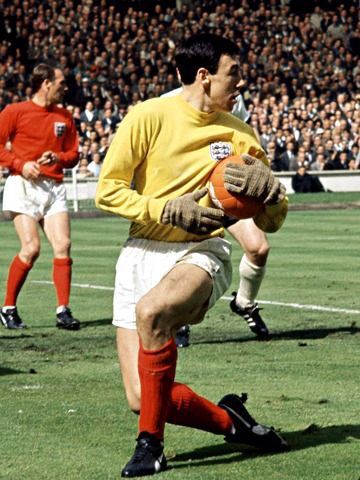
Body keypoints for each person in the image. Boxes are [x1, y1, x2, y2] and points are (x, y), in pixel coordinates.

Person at [96, 34, 288, 478]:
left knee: (154, 310)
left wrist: (275, 196)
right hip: (140, 252)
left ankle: (151, 446)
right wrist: (162, 207)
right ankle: (231, 422)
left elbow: (271, 221)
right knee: (142, 399)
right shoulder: (148, 116)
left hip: (203, 249)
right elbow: (108, 192)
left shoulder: (239, 134)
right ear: (204, 76)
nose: (240, 84)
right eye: (233, 75)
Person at [163, 89, 274, 347]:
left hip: (229, 192)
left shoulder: (232, 97)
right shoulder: (169, 102)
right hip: (195, 193)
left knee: (259, 248)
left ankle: (244, 303)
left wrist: (258, 168)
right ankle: (181, 320)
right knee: (190, 256)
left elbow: (247, 133)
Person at [0, 63, 80, 330]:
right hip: (22, 184)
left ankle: (63, 311)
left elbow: (74, 154)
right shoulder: (15, 111)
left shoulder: (64, 116)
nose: (64, 87)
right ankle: (8, 308)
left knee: (63, 245)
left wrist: (57, 157)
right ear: (46, 83)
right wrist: (21, 164)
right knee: (31, 248)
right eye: (60, 83)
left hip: (53, 187)